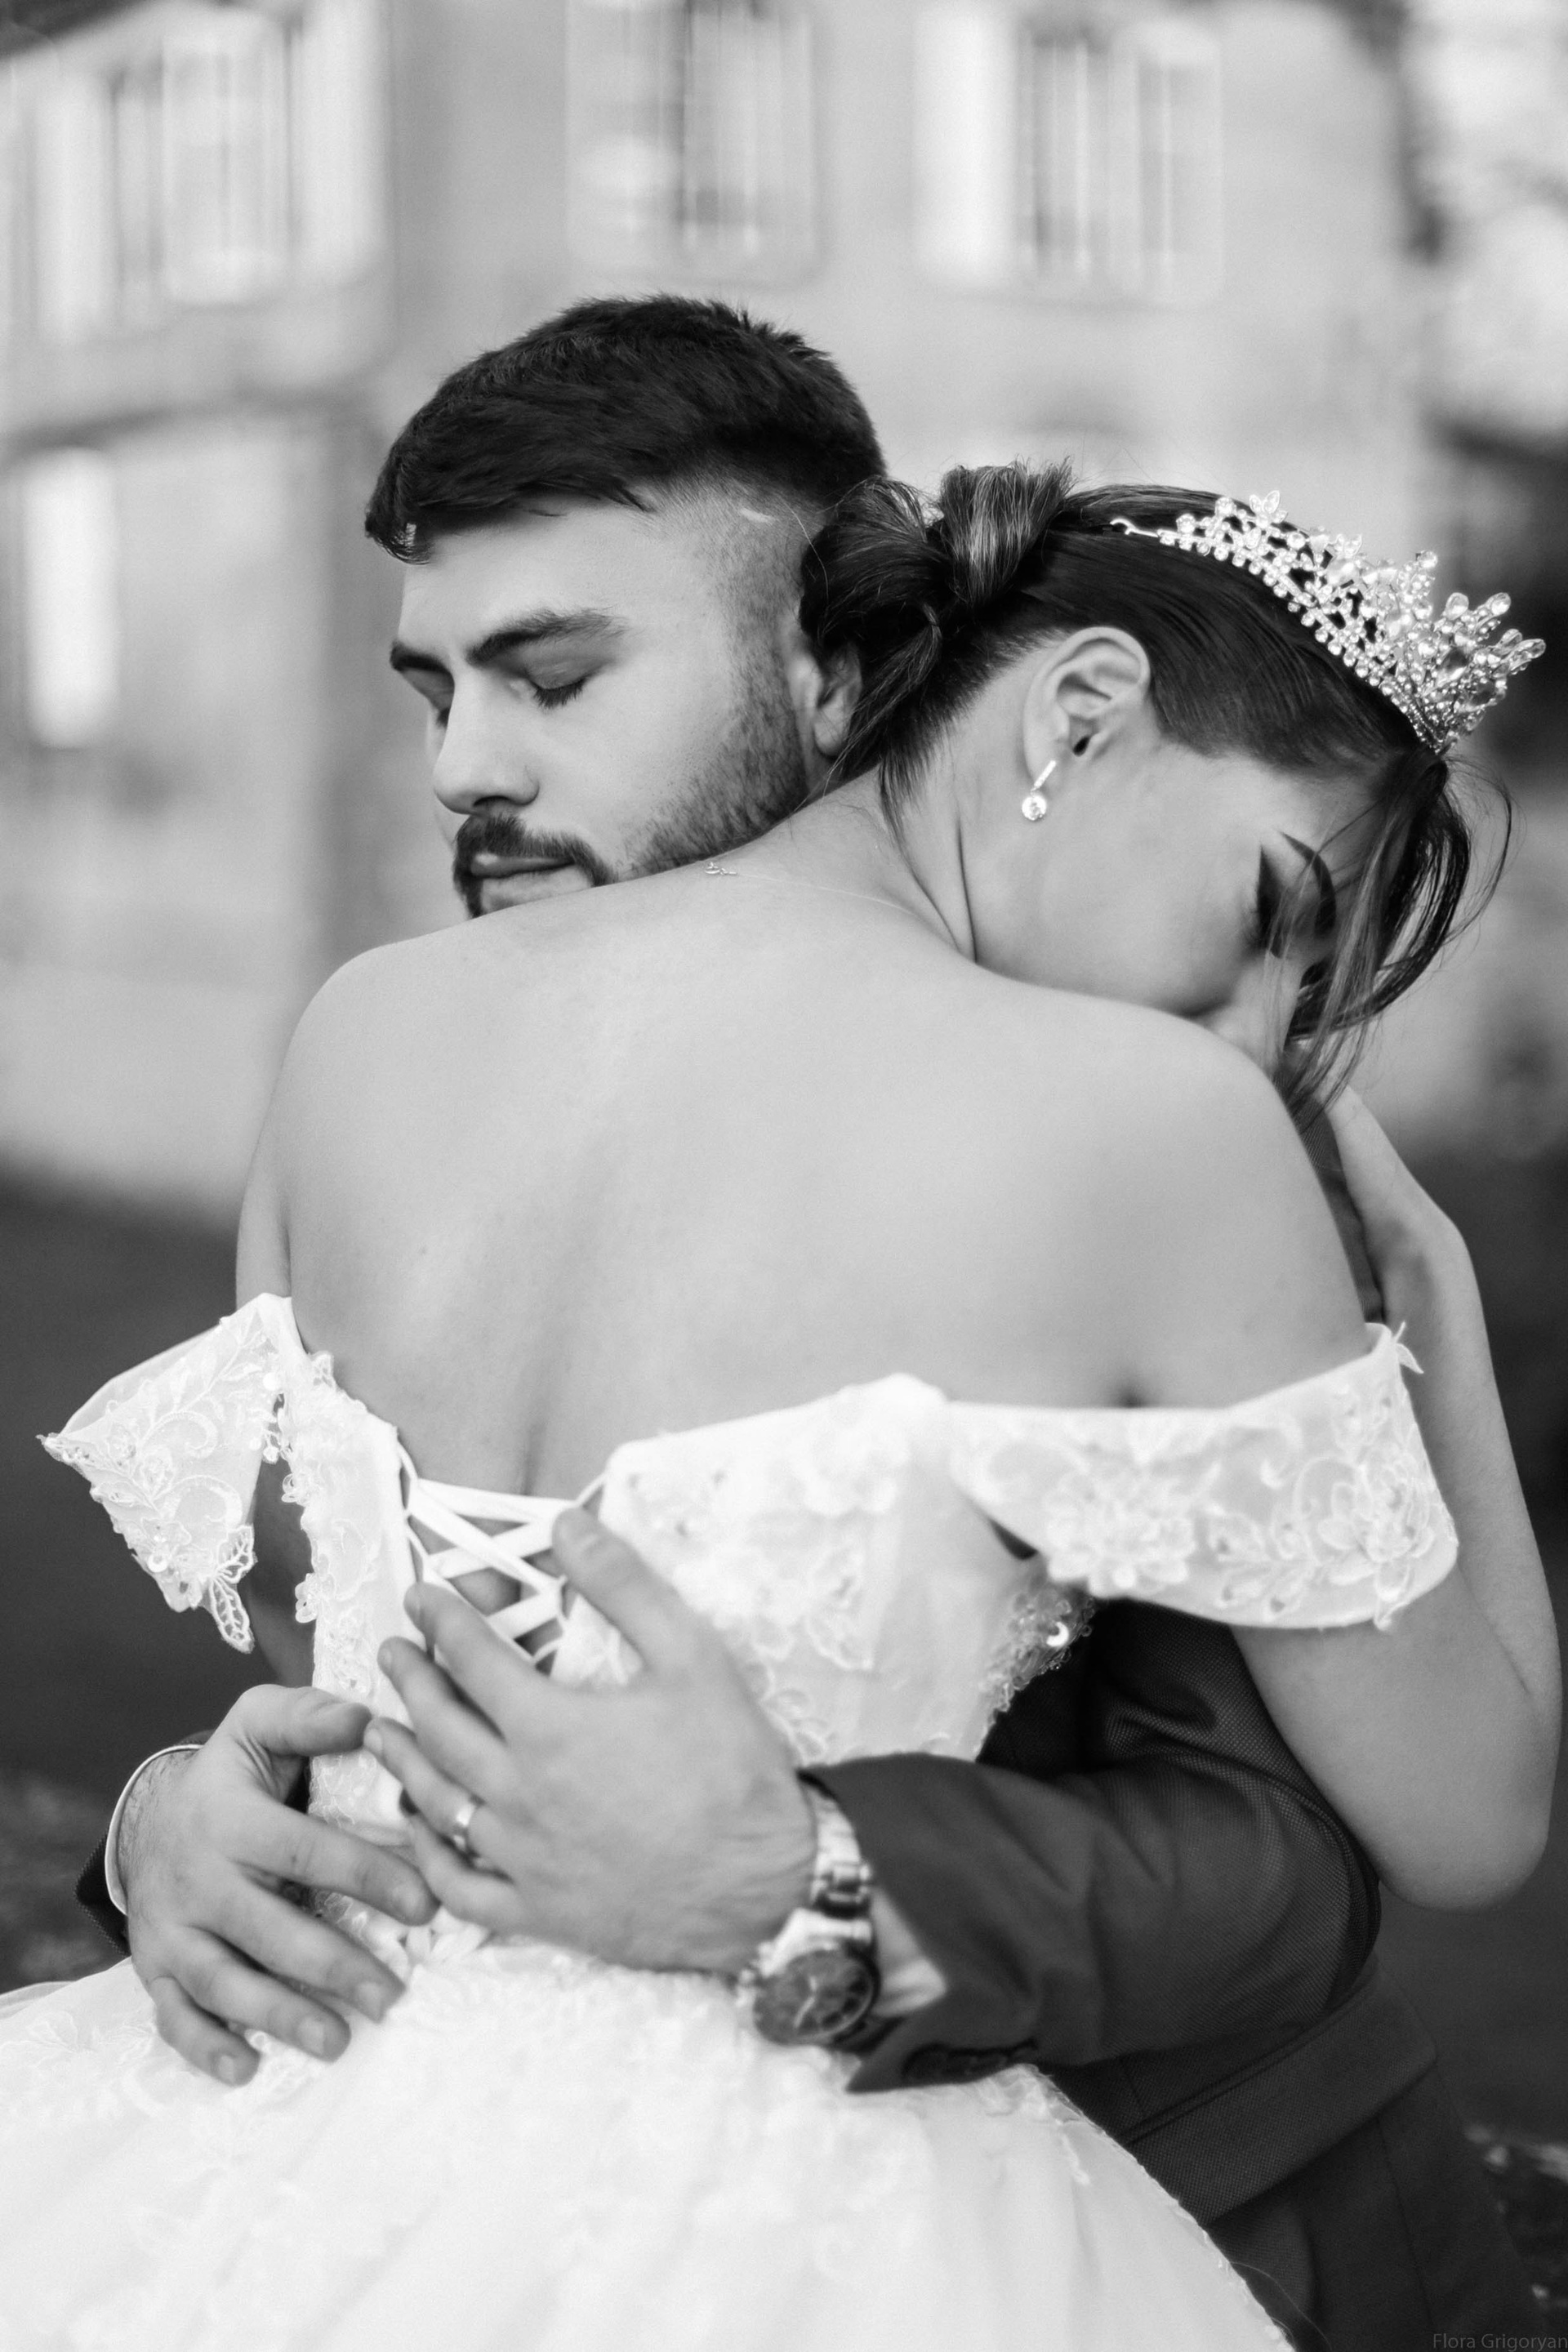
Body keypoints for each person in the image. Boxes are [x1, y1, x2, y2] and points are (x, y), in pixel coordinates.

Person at [69, 301, 1544, 2352]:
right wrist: (182, 1821)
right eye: (1271, 918)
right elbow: (1479, 1813)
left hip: (312, 2167)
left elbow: (1263, 1859)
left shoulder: (351, 1039)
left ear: (839, 671)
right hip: (809, 2217)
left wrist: (801, 1880)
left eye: (561, 675)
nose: (467, 768)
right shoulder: (1155, 1131)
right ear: (1075, 715)